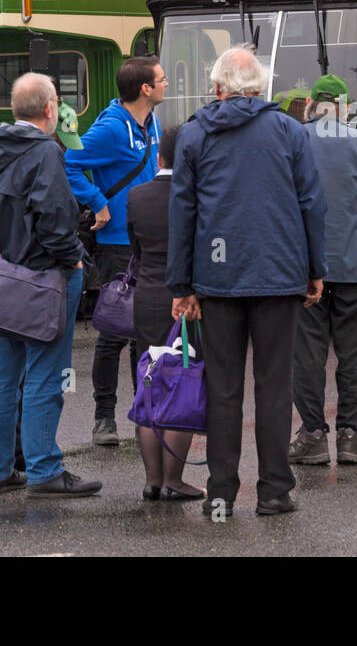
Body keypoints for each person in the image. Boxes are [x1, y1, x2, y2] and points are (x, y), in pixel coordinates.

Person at [167, 46, 326, 517]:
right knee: (274, 386)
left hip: (217, 281)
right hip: (278, 276)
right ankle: (275, 491)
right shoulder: (290, 131)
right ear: (259, 88)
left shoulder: (194, 135)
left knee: (223, 387)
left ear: (217, 89)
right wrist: (314, 270)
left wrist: (182, 285)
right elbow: (311, 204)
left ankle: (220, 492)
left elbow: (184, 212)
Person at [0, 72, 98, 497]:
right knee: (46, 376)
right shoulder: (45, 153)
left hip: (1, 278)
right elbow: (52, 221)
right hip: (44, 277)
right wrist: (75, 260)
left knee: (2, 375)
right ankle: (45, 469)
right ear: (50, 109)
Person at [288, 75, 357, 466]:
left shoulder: (293, 139)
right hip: (353, 263)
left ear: (311, 106)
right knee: (352, 355)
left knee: (307, 355)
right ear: (345, 108)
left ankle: (312, 435)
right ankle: (351, 437)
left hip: (304, 266)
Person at [66, 56, 163, 447]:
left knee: (148, 333)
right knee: (114, 333)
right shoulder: (110, 128)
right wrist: (97, 201)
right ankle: (103, 417)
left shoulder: (150, 121)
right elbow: (70, 161)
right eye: (161, 80)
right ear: (145, 89)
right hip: (117, 245)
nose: (166, 84)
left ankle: (146, 411)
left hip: (149, 240)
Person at [126, 124, 204, 502]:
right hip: (188, 299)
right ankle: (175, 480)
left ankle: (152, 480)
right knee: (183, 383)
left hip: (148, 297)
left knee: (151, 384)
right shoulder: (199, 195)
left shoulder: (137, 196)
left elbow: (136, 250)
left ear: (159, 156)